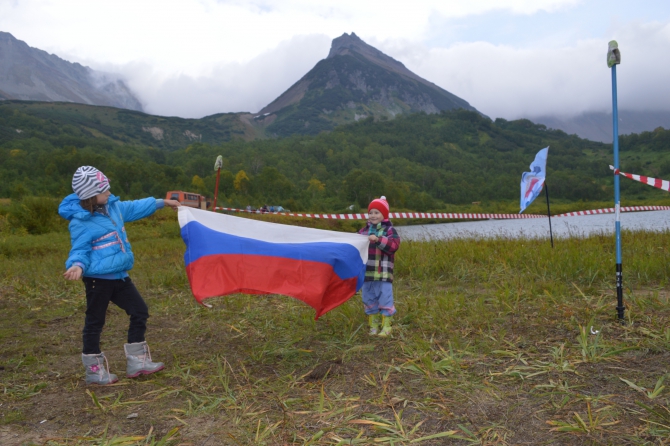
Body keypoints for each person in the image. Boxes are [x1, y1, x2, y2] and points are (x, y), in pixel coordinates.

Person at [59, 166, 180, 385]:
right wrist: (77, 265)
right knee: (95, 322)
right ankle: (94, 371)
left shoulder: (113, 207)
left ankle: (138, 361)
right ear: (90, 195)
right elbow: (79, 249)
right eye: (104, 189)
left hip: (120, 276)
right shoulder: (81, 222)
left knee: (139, 310)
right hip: (98, 279)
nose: (109, 191)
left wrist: (163, 202)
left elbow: (136, 206)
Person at [357, 196, 400, 336]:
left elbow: (393, 246)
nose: (373, 215)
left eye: (377, 212)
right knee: (368, 298)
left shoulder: (389, 230)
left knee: (385, 298)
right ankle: (373, 324)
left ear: (384, 215)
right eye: (371, 212)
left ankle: (387, 325)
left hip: (383, 273)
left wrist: (378, 240)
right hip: (367, 274)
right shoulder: (363, 232)